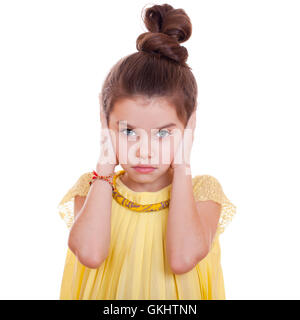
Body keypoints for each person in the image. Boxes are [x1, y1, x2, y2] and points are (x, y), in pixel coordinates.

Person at [57, 3, 237, 300]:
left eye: (163, 133)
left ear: (188, 127)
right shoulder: (93, 189)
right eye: (128, 132)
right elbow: (90, 254)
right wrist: (104, 163)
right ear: (106, 125)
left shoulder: (204, 193)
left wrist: (182, 164)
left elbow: (181, 260)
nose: (144, 152)